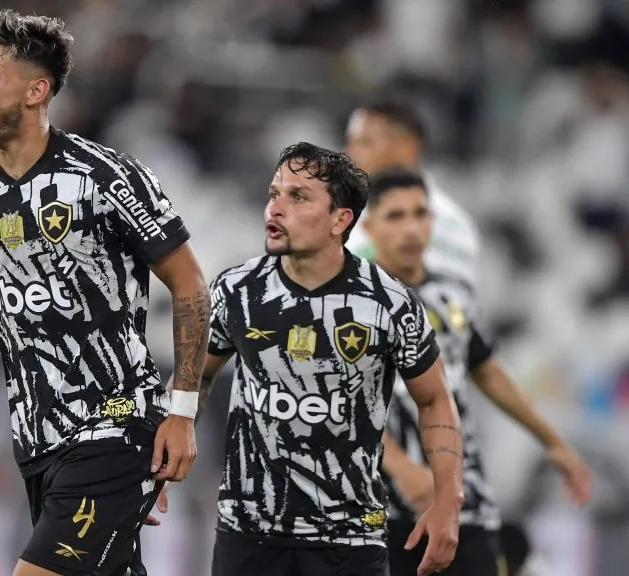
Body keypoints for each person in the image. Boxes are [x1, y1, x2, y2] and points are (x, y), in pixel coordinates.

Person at [0, 10, 210, 576]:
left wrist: (181, 412)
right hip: (36, 441)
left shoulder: (105, 178)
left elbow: (191, 286)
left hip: (116, 423)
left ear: (36, 90)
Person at [195, 142, 465, 576]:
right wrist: (160, 464)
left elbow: (434, 400)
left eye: (298, 197)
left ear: (341, 220)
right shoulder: (236, 290)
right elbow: (194, 380)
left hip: (349, 541)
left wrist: (448, 502)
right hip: (247, 535)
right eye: (274, 193)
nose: (276, 208)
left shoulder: (390, 303)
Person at [363, 168, 594, 576]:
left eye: (420, 214)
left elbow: (486, 371)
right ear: (369, 226)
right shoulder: (351, 303)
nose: (411, 228)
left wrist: (552, 441)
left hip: (462, 502)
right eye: (396, 216)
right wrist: (401, 469)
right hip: (382, 509)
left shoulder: (455, 294)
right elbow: (342, 402)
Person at [344, 98, 480, 288]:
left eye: (365, 143)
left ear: (408, 148)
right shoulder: (348, 214)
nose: (349, 154)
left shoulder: (448, 224)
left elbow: (448, 306)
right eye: (350, 143)